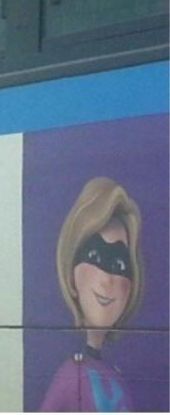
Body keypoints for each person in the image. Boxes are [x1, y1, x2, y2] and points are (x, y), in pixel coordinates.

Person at [39, 177, 144, 412]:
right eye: (95, 257)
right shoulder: (70, 375)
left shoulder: (114, 375)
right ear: (71, 274)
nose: (107, 279)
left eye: (119, 264)